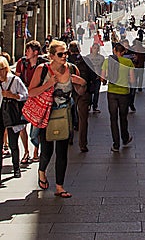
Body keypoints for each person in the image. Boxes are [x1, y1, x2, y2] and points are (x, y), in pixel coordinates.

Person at [29, 40, 86, 198]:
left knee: (62, 152)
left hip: (64, 115)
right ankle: (42, 172)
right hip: (46, 115)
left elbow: (80, 91)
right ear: (51, 56)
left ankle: (60, 187)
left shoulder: (72, 68)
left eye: (66, 53)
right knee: (47, 151)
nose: (64, 56)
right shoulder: (42, 69)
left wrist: (82, 83)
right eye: (60, 54)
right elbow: (31, 92)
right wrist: (48, 84)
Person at [15, 40, 49, 164]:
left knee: (36, 127)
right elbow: (17, 79)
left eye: (28, 50)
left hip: (38, 99)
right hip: (24, 98)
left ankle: (36, 150)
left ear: (35, 52)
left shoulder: (44, 64)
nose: (25, 53)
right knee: (21, 125)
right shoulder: (22, 63)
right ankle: (26, 152)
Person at [101, 43, 134, 152]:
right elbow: (133, 80)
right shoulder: (128, 62)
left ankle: (116, 144)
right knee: (123, 117)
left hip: (111, 92)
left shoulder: (107, 61)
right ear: (124, 52)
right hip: (124, 93)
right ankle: (125, 138)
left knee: (113, 118)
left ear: (114, 50)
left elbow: (102, 78)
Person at [0, 56, 28, 184]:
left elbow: (25, 95)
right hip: (0, 114)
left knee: (13, 143)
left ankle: (16, 168)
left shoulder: (14, 80)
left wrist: (12, 95)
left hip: (11, 114)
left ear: (5, 68)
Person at [67, 41, 93, 152]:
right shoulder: (86, 61)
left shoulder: (66, 62)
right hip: (83, 91)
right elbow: (92, 76)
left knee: (69, 116)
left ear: (69, 50)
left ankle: (69, 138)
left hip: (68, 91)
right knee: (83, 119)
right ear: (79, 49)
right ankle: (83, 144)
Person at [85, 44, 105, 112]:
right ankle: (88, 105)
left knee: (96, 92)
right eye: (94, 48)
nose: (95, 49)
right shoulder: (87, 57)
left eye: (97, 48)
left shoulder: (101, 58)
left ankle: (95, 106)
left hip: (97, 77)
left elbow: (103, 68)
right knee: (89, 92)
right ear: (91, 48)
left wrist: (103, 77)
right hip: (90, 78)